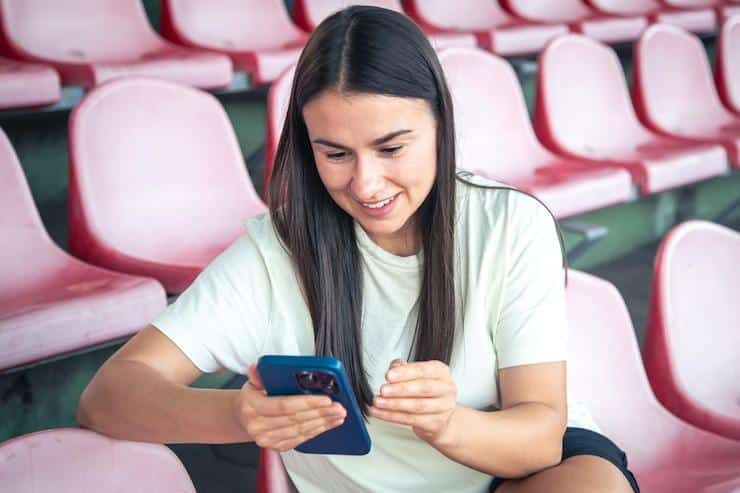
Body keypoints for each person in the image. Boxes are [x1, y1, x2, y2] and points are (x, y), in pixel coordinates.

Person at [77, 6, 639, 493]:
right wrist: (240, 413)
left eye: (391, 147)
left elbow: (541, 439)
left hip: (517, 476)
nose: (367, 184)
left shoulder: (509, 226)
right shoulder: (276, 254)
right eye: (336, 154)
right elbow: (109, 396)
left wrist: (447, 423)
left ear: (441, 123)